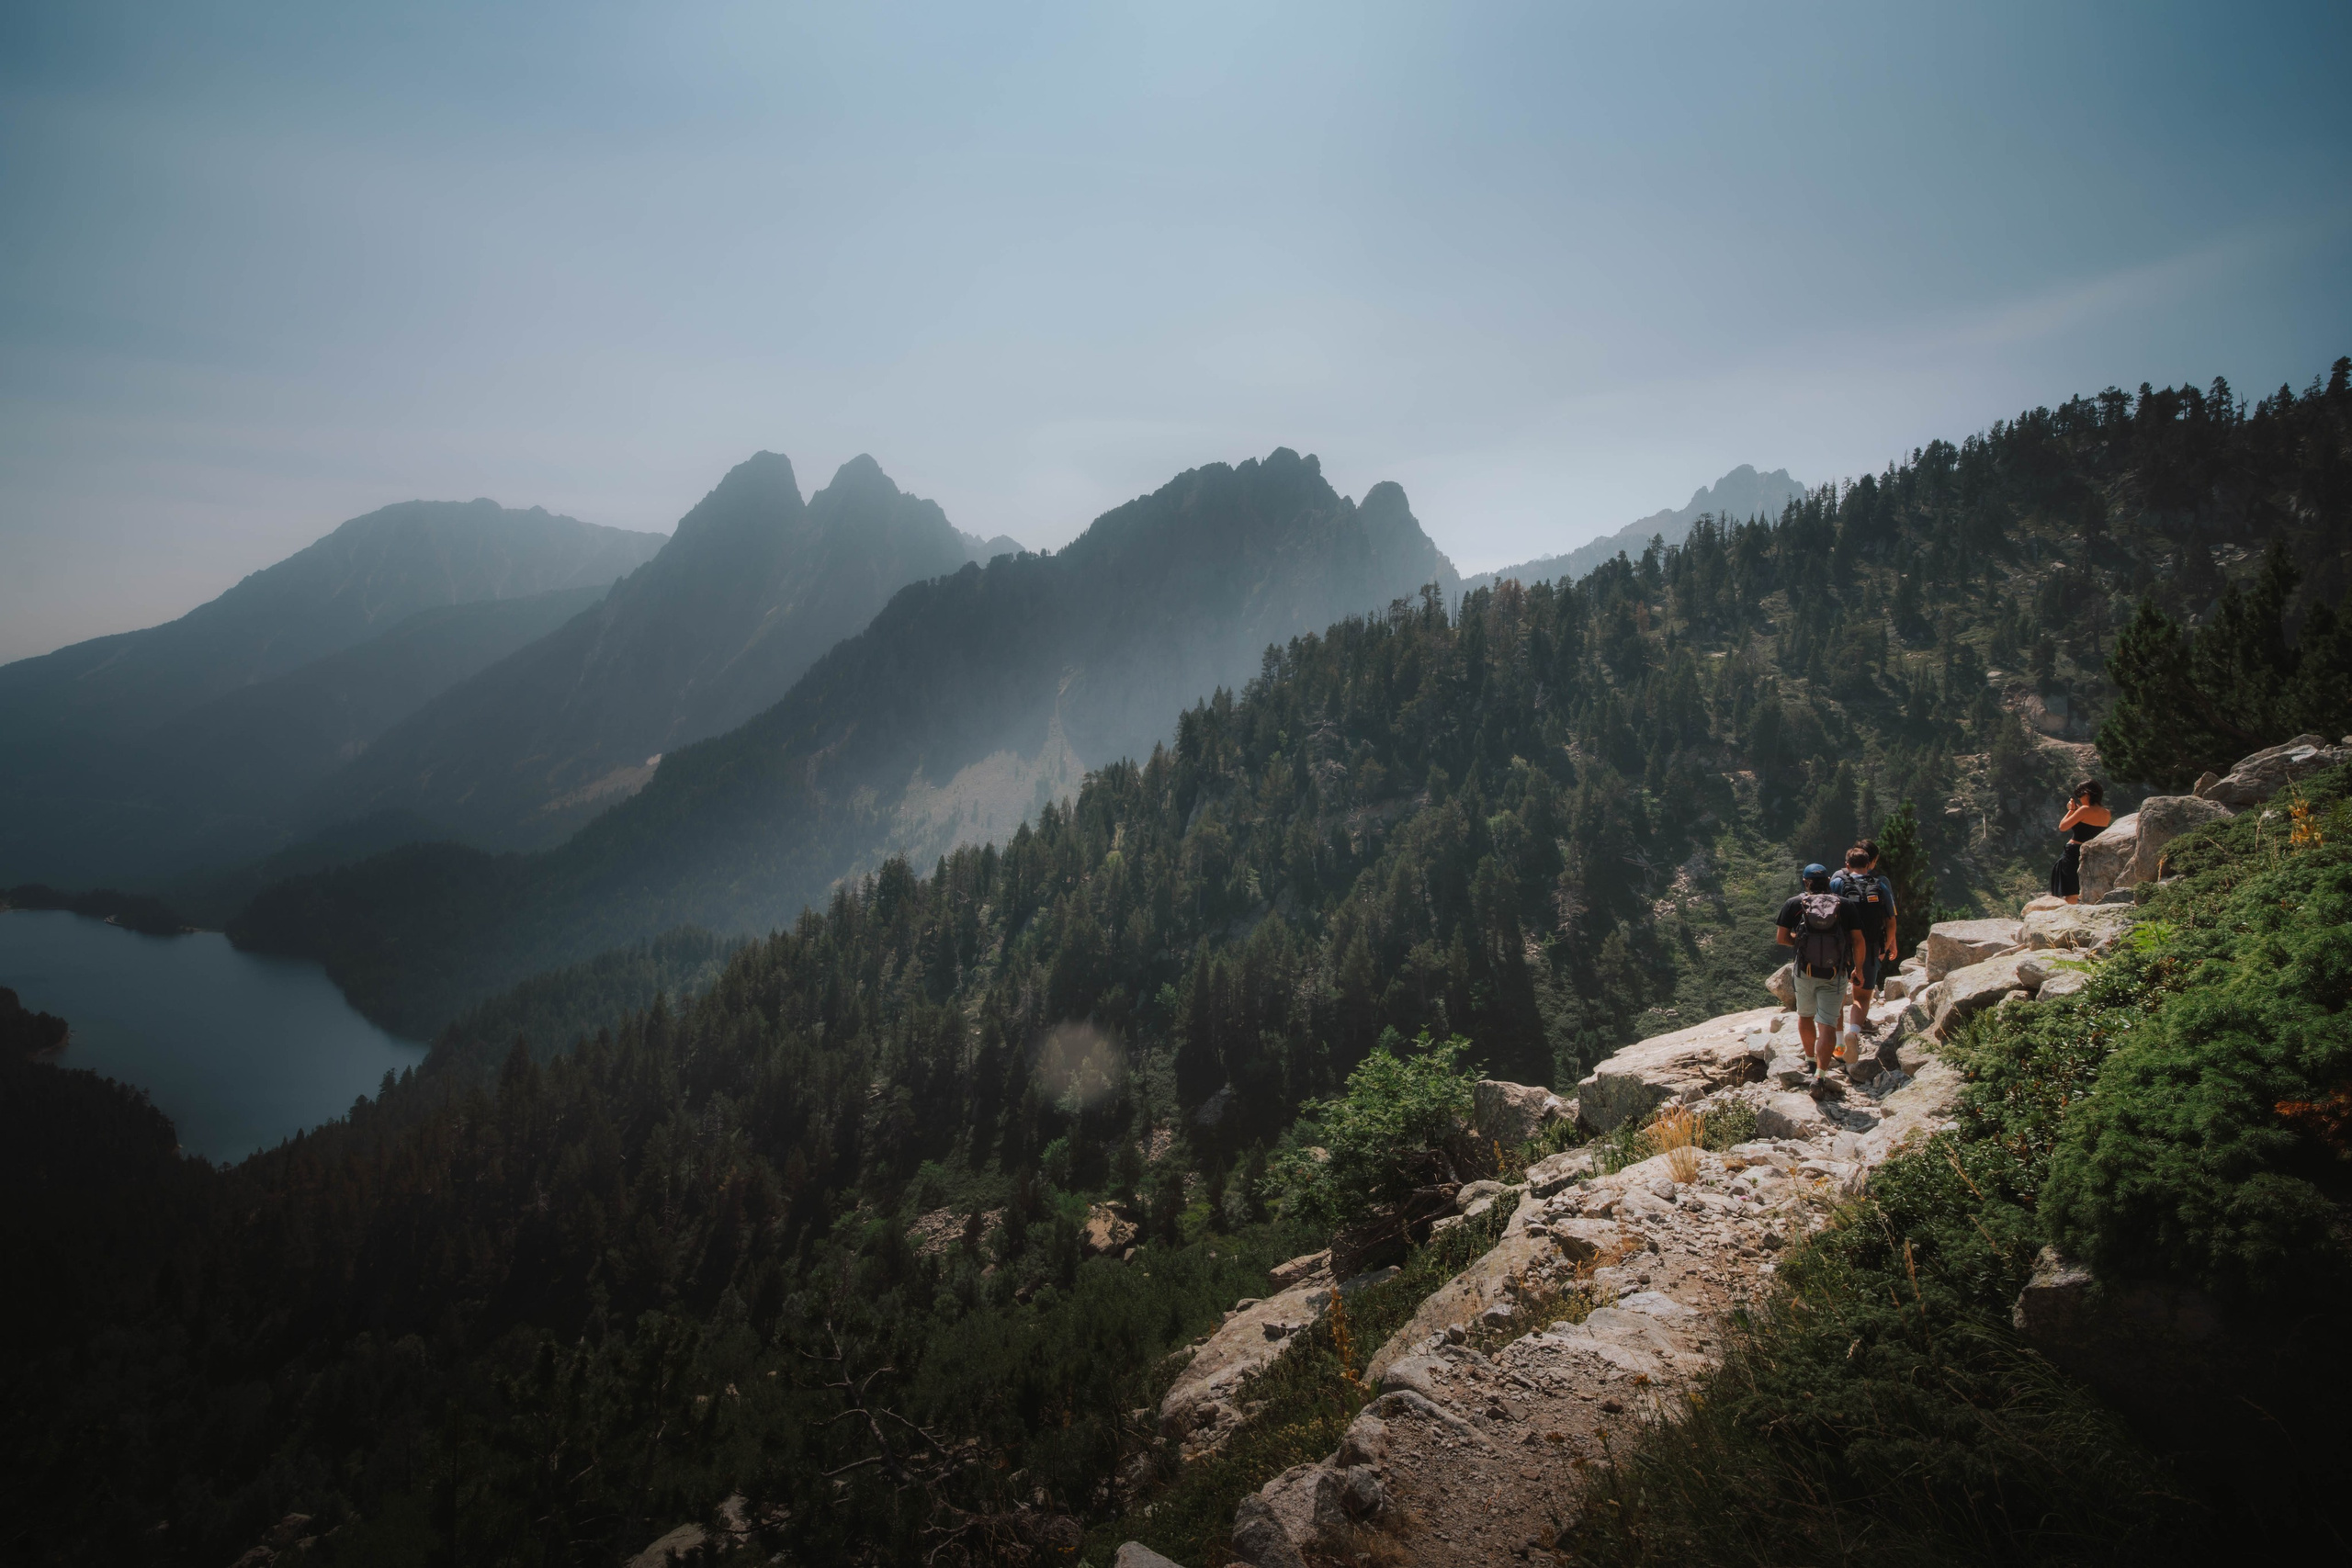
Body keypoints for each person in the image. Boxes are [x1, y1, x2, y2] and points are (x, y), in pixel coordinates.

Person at [1776, 863, 1865, 1082]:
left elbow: (1782, 938)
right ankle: (1821, 1075)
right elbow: (1858, 940)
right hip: (1836, 973)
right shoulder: (1843, 905)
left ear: (1806, 882)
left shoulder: (1795, 904)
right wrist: (1859, 969)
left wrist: (1802, 942)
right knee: (1827, 1023)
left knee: (1805, 1015)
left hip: (1805, 972)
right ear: (1828, 882)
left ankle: (1809, 1059)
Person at [1830, 841, 1899, 1053]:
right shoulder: (1881, 884)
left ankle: (1839, 1042)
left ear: (1847, 864)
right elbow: (1891, 921)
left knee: (1838, 997)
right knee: (1861, 997)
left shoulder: (1837, 882)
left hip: (1841, 946)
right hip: (1870, 946)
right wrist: (1885, 947)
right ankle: (1854, 1033)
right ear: (1869, 863)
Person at [2050, 780, 2110, 903]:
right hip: (2091, 853)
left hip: (2073, 852)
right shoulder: (2107, 813)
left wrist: (2071, 810)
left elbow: (2063, 827)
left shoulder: (2084, 810)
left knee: (2071, 891)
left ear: (2087, 794)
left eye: (2080, 796)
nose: (2080, 799)